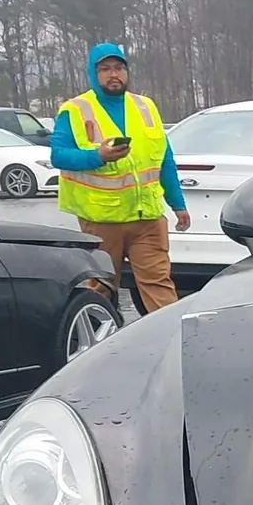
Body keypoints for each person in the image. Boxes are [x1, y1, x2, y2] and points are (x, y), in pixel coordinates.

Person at [51, 43, 191, 311]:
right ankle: (99, 334)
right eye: (105, 69)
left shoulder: (145, 106)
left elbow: (164, 159)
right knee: (101, 288)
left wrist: (178, 204)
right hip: (102, 219)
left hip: (147, 218)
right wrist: (98, 156)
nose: (113, 74)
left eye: (119, 68)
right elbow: (58, 156)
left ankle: (170, 334)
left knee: (159, 285)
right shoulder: (75, 109)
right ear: (93, 74)